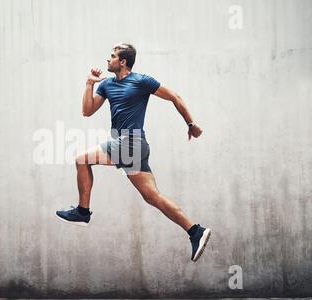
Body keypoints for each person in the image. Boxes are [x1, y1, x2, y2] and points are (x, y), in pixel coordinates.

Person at [56, 43, 211, 262]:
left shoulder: (141, 81)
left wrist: (191, 124)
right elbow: (87, 111)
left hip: (132, 142)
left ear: (123, 62)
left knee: (82, 159)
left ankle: (82, 211)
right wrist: (89, 84)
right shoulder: (107, 85)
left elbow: (175, 96)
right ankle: (195, 231)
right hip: (129, 146)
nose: (107, 60)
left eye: (112, 56)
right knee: (152, 197)